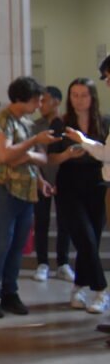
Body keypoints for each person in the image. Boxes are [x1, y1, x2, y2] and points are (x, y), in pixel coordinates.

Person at [0, 77, 59, 319]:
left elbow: (40, 159)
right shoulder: (2, 120)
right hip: (3, 189)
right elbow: (4, 155)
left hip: (25, 190)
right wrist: (33, 145)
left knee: (17, 248)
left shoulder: (24, 123)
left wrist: (40, 179)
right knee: (1, 243)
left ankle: (10, 293)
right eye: (36, 100)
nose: (39, 105)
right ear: (23, 98)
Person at [47, 78, 108, 314]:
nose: (79, 99)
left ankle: (79, 287)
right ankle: (102, 289)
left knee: (90, 238)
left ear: (92, 97)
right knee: (84, 237)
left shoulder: (104, 122)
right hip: (69, 185)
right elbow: (51, 159)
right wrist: (67, 155)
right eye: (74, 94)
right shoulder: (61, 123)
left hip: (97, 184)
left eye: (84, 95)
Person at [32, 85, 74, 282]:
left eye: (45, 100)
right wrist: (40, 179)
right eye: (39, 101)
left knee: (64, 222)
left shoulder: (66, 125)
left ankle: (63, 262)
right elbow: (33, 154)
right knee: (41, 221)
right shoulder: (36, 126)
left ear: (56, 101)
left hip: (64, 178)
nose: (41, 105)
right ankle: (42, 263)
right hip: (41, 179)